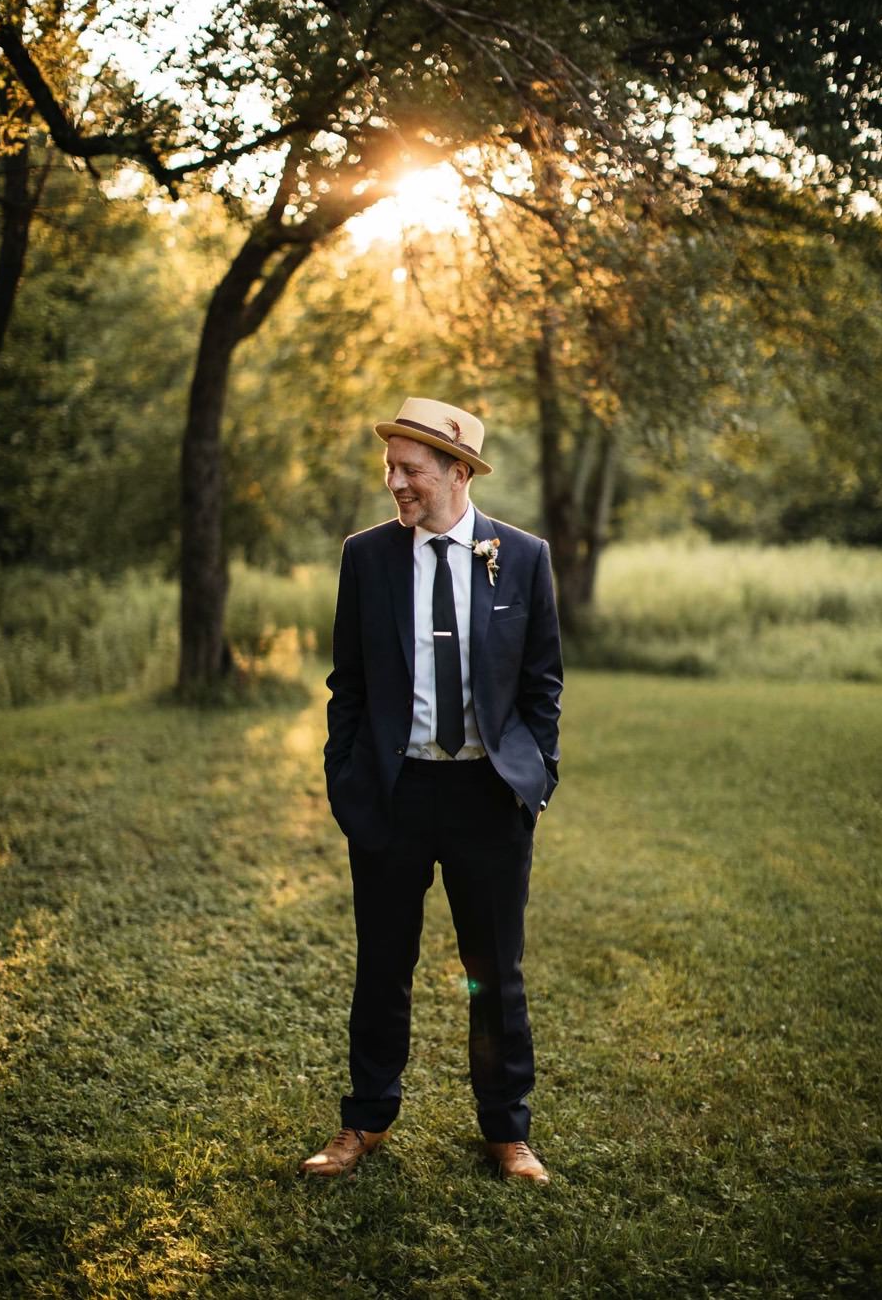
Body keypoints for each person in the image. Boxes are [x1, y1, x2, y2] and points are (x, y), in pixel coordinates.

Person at [305, 395, 563, 1184]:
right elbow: (347, 684)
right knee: (381, 964)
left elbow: (541, 683)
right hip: (394, 793)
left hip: (488, 798)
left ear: (458, 472)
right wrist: (345, 780)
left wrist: (535, 776)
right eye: (389, 468)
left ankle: (506, 1133)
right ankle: (364, 1121)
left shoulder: (522, 557)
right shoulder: (367, 556)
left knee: (495, 971)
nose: (395, 483)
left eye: (411, 469)